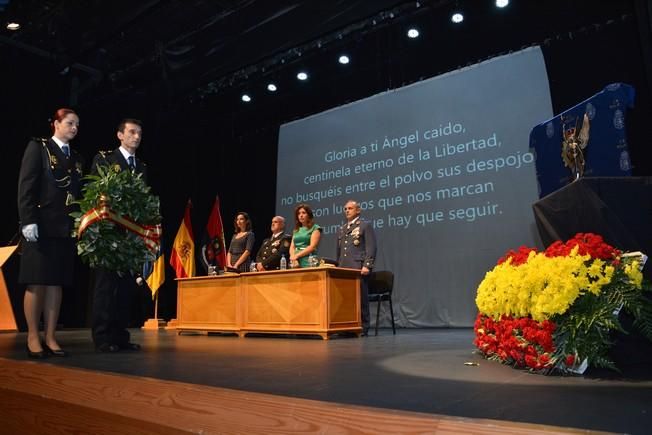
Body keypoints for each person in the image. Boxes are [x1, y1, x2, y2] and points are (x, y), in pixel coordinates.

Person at [17, 108, 83, 358]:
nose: (74, 128)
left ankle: (51, 336)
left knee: (57, 282)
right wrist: (28, 220)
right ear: (56, 124)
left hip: (65, 227)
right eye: (69, 123)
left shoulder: (76, 157)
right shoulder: (39, 147)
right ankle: (33, 336)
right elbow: (26, 185)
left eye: (77, 124)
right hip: (40, 225)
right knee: (37, 281)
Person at [90, 118, 147, 353]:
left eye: (139, 134)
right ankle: (102, 336)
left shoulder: (142, 167)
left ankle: (120, 334)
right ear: (120, 135)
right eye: (132, 132)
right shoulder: (105, 159)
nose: (136, 137)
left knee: (125, 288)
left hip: (130, 236)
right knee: (106, 287)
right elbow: (95, 192)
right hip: (108, 233)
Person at [336, 200, 377, 336]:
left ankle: (364, 327)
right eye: (345, 208)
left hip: (358, 268)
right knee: (345, 299)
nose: (347, 211)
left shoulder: (365, 225)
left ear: (358, 210)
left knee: (361, 299)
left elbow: (371, 247)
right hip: (344, 268)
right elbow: (340, 251)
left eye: (350, 208)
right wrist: (338, 266)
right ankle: (347, 327)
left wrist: (367, 265)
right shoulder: (342, 228)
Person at [289, 204, 322, 268]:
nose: (301, 215)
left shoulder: (315, 228)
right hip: (295, 261)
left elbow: (312, 247)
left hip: (308, 260)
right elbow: (292, 247)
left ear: (309, 215)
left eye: (303, 213)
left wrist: (297, 255)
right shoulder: (296, 230)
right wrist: (293, 257)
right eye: (299, 214)